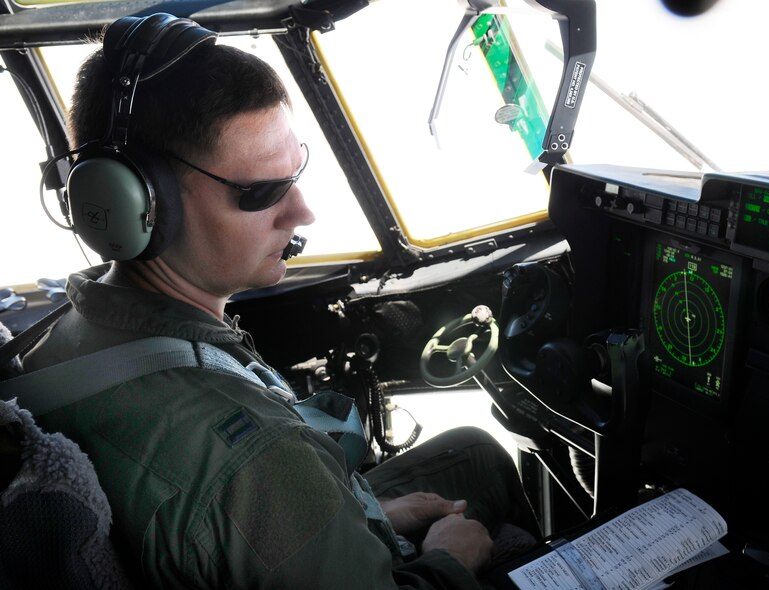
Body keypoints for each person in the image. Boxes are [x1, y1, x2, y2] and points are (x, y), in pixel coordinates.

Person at [20, 13, 539, 589]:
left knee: (473, 449)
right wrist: (448, 561)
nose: (303, 212)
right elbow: (243, 490)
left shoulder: (67, 333)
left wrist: (363, 517)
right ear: (136, 207)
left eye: (296, 172)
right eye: (262, 191)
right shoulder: (256, 454)